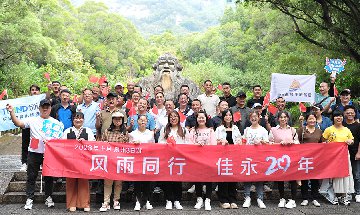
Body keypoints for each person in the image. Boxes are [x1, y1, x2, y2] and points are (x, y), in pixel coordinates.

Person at [6, 99, 64, 210]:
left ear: (50, 108)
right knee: (31, 176)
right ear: (39, 108)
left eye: (47, 106)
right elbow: (18, 123)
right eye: (43, 106)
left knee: (49, 177)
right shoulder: (32, 120)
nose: (45, 108)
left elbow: (60, 139)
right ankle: (29, 198)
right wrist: (11, 112)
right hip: (34, 152)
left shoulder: (56, 123)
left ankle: (49, 197)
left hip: (49, 153)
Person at [62, 112, 95, 212]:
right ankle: (71, 204)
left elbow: (93, 145)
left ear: (83, 120)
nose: (78, 120)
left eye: (80, 118)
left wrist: (85, 142)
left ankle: (84, 203)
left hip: (84, 160)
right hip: (70, 161)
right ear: (73, 120)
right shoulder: (67, 131)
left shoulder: (88, 131)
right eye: (76, 118)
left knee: (83, 182)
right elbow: (61, 144)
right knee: (70, 182)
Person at [322, 109, 355, 205]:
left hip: (344, 157)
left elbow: (352, 140)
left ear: (342, 117)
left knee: (344, 177)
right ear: (333, 118)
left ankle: (344, 196)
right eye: (336, 116)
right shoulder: (329, 129)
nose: (338, 118)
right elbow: (323, 141)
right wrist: (326, 143)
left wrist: (350, 141)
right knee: (333, 177)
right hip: (332, 157)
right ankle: (333, 196)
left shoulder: (346, 129)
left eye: (340, 116)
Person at [158, 110, 190, 210]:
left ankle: (177, 200)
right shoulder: (165, 129)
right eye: (171, 116)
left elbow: (188, 143)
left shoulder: (184, 130)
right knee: (167, 179)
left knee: (177, 179)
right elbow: (160, 142)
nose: (173, 118)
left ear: (178, 118)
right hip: (168, 158)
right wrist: (167, 144)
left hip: (180, 158)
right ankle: (168, 199)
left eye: (175, 116)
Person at [269, 111, 299, 209]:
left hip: (292, 157)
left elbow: (297, 142)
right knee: (280, 178)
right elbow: (269, 143)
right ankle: (282, 198)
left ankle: (293, 199)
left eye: (285, 117)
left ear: (288, 118)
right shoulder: (273, 130)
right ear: (278, 119)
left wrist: (292, 142)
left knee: (293, 178)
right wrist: (279, 144)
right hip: (279, 157)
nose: (283, 119)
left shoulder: (293, 130)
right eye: (281, 117)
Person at [99, 112, 129, 212]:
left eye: (119, 119)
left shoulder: (125, 132)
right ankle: (106, 202)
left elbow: (128, 147)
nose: (117, 121)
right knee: (108, 182)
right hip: (109, 160)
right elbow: (102, 144)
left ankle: (116, 200)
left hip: (120, 160)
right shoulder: (107, 131)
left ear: (122, 121)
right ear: (112, 120)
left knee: (118, 183)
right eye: (115, 119)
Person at [189, 110, 217, 211]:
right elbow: (189, 143)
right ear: (196, 119)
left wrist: (206, 147)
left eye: (203, 117)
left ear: (206, 119)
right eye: (199, 117)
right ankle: (199, 198)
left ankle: (208, 199)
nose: (201, 119)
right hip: (196, 159)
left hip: (208, 158)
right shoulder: (193, 131)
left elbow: (214, 144)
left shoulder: (210, 131)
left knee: (208, 179)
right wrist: (196, 145)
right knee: (197, 179)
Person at [214, 110, 241, 209]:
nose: (228, 117)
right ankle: (223, 199)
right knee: (223, 178)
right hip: (222, 156)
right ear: (223, 117)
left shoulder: (235, 128)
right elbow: (214, 141)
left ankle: (232, 199)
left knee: (233, 178)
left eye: (230, 115)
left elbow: (240, 139)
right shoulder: (219, 129)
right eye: (226, 115)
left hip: (233, 156)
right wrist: (221, 141)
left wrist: (239, 141)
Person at [241, 110, 268, 209]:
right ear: (249, 118)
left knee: (259, 178)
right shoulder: (247, 130)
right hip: (248, 157)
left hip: (259, 157)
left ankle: (260, 198)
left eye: (255, 116)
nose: (254, 118)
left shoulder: (263, 130)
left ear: (259, 117)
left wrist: (261, 142)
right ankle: (247, 197)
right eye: (252, 116)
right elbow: (243, 141)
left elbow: (267, 143)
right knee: (247, 177)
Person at [129, 115, 155, 211]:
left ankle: (147, 200)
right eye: (141, 120)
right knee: (137, 182)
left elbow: (153, 146)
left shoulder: (150, 133)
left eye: (145, 120)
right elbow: (129, 148)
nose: (143, 122)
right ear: (137, 121)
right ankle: (137, 201)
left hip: (147, 160)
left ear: (147, 122)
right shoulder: (132, 134)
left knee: (147, 181)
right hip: (136, 160)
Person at [297, 112, 322, 207]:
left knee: (315, 178)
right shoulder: (301, 130)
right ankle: (305, 198)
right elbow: (297, 141)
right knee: (304, 178)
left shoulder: (319, 131)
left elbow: (322, 143)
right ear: (306, 120)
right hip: (304, 158)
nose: (312, 121)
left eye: (313, 119)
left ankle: (315, 197)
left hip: (316, 158)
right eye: (310, 119)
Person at [20, 84, 42, 171]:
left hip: (37, 126)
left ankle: (39, 163)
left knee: (37, 144)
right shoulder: (25, 101)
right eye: (33, 90)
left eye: (36, 90)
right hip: (26, 125)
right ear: (30, 92)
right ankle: (24, 163)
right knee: (25, 144)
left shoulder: (42, 101)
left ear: (39, 92)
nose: (34, 91)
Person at [343, 105, 360, 202]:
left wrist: (358, 153)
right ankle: (348, 192)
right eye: (347, 112)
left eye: (351, 112)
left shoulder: (358, 125)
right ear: (344, 114)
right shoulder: (342, 125)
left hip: (355, 153)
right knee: (346, 174)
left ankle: (358, 193)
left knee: (356, 174)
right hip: (343, 154)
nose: (350, 114)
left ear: (355, 113)